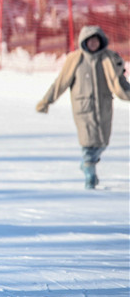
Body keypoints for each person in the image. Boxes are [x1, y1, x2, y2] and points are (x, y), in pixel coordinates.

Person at [36, 25, 130, 189]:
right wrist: (46, 101)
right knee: (88, 140)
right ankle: (89, 169)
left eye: (96, 40)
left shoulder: (108, 58)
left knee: (102, 141)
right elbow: (60, 83)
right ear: (84, 42)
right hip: (83, 107)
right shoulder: (75, 59)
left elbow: (120, 83)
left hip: (104, 105)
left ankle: (89, 164)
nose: (93, 44)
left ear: (101, 41)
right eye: (90, 41)